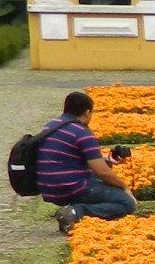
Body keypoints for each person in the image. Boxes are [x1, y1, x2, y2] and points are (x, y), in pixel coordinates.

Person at [37, 90, 137, 235]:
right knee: (126, 203)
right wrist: (125, 187)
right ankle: (75, 212)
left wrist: (107, 160)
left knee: (101, 176)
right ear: (87, 112)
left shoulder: (51, 125)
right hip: (69, 187)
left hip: (48, 186)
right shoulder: (81, 133)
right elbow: (102, 173)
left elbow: (69, 158)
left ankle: (73, 210)